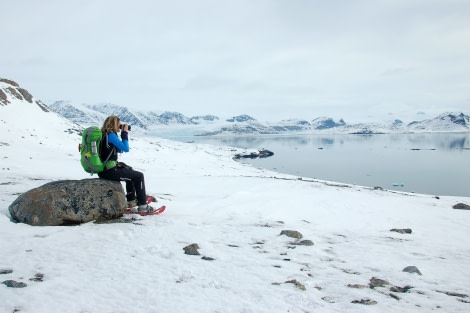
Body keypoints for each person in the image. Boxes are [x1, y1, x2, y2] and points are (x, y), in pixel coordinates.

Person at [98, 115, 155, 213]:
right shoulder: (110, 135)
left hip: (104, 170)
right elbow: (126, 148)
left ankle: (131, 201)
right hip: (110, 171)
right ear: (114, 124)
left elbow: (119, 149)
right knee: (139, 176)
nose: (120, 126)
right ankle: (143, 207)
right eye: (119, 124)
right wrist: (124, 132)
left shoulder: (104, 135)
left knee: (129, 170)